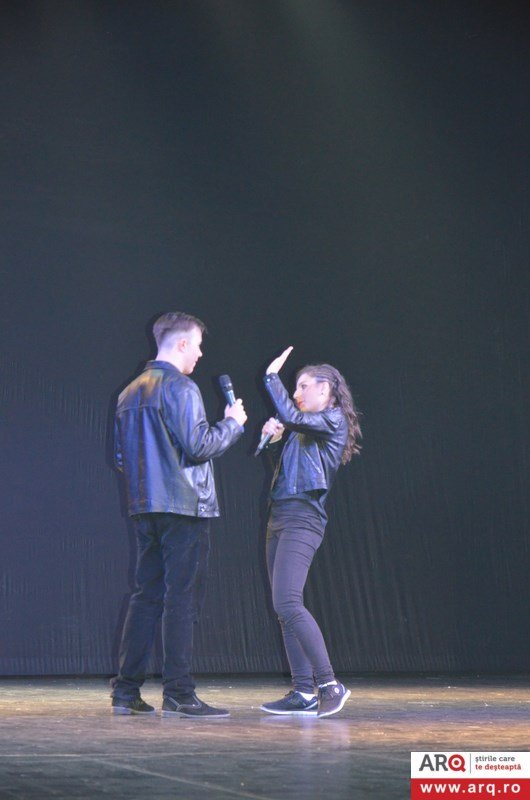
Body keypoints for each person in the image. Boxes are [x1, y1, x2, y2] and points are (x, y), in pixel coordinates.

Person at [110, 311, 247, 717]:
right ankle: (179, 693)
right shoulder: (181, 387)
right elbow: (200, 446)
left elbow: (121, 458)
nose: (201, 354)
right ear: (182, 343)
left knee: (146, 596)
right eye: (198, 346)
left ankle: (126, 692)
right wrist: (232, 424)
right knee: (181, 600)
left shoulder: (128, 392)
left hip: (144, 506)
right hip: (184, 506)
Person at [259, 346, 362, 718]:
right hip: (280, 516)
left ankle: (330, 684)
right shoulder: (304, 430)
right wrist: (273, 442)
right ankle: (303, 690)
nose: (296, 393)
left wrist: (271, 377)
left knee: (288, 602)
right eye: (294, 387)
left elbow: (290, 413)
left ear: (325, 390)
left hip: (303, 518)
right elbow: (287, 471)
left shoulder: (332, 419)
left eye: (303, 386)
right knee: (283, 608)